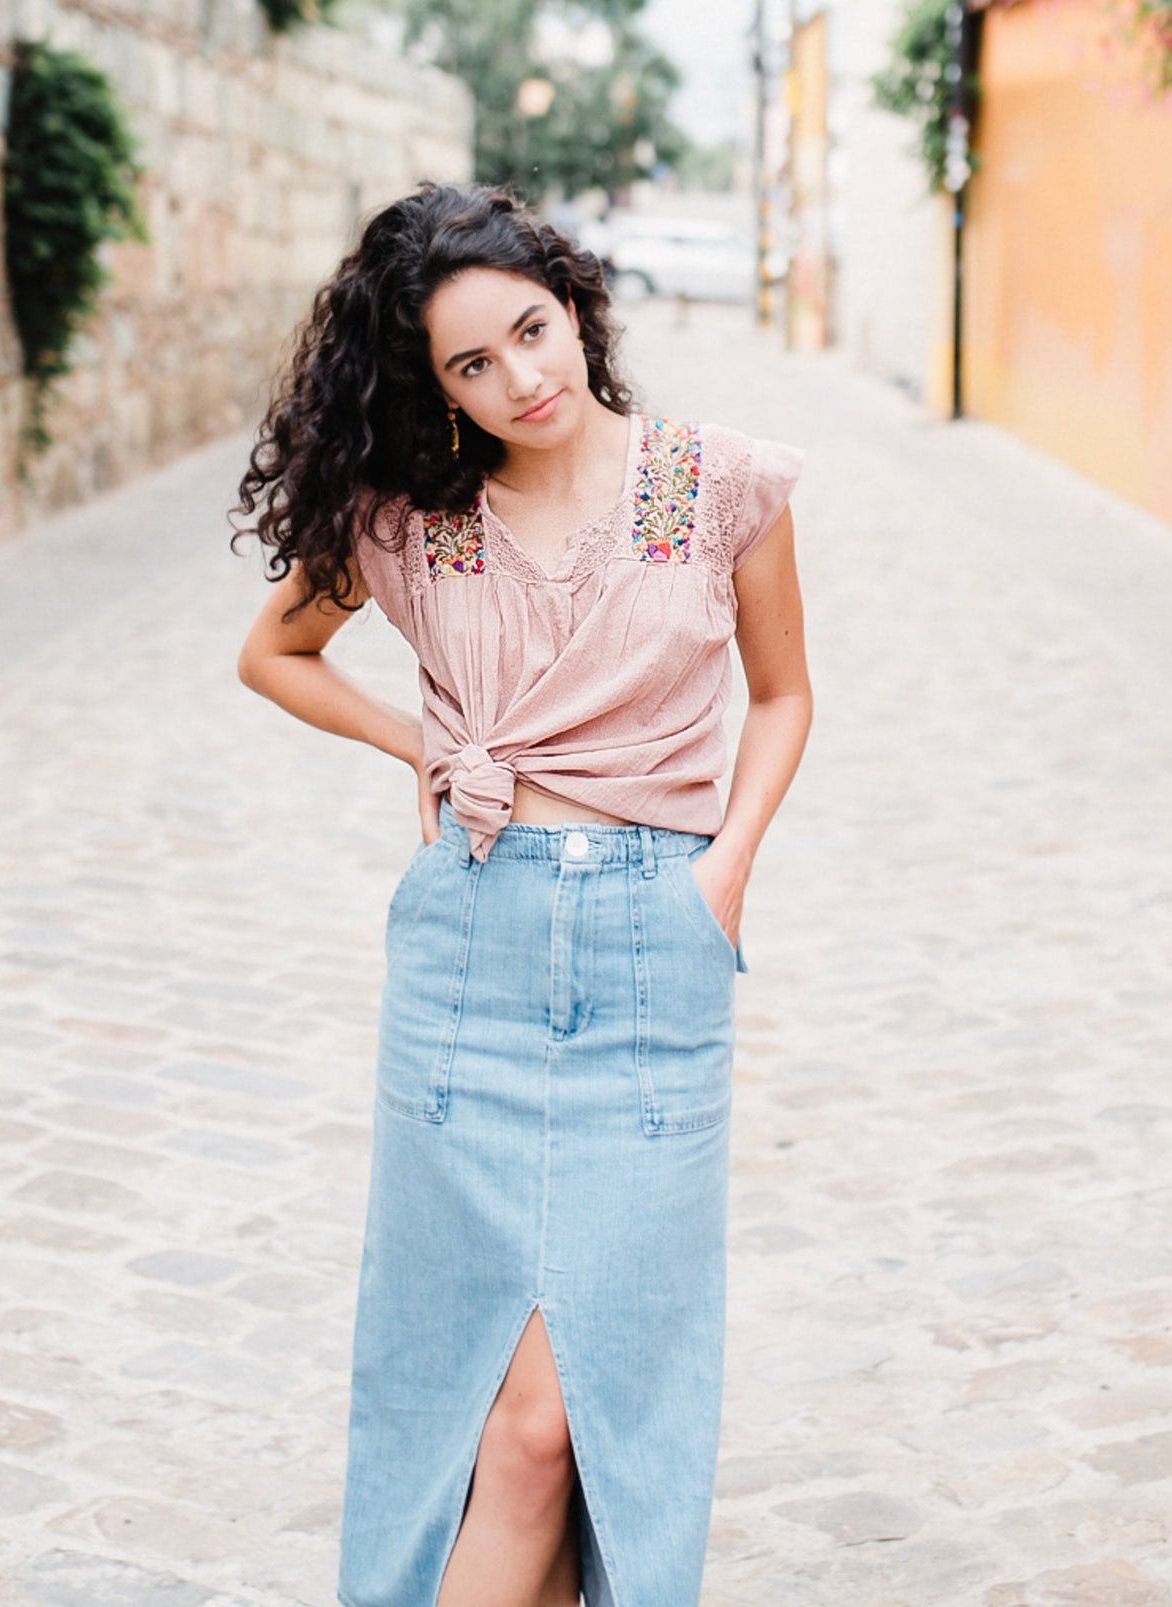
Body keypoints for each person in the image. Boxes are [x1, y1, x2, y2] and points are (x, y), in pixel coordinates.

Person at [232, 179, 812, 1607]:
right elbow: (276, 654)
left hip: (649, 955)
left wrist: (723, 874)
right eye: (471, 367)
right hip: (466, 958)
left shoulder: (711, 482)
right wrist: (415, 741)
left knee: (568, 1418)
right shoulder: (412, 516)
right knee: (481, 1414)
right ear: (431, 388)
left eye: (532, 331)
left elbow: (786, 699)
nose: (522, 380)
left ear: (574, 299)